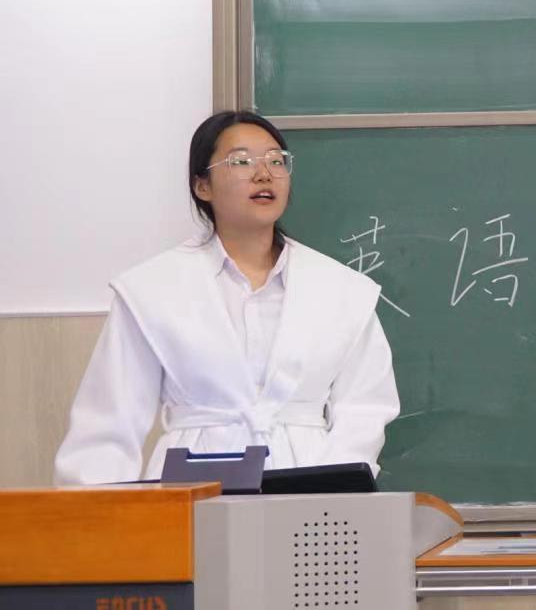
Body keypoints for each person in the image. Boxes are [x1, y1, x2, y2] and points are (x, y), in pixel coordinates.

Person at [54, 110, 400, 484]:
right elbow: (108, 424)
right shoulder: (153, 288)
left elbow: (365, 408)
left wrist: (332, 485)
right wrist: (99, 509)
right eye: (241, 161)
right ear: (202, 186)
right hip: (190, 484)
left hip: (310, 485)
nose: (264, 173)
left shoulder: (340, 289)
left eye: (276, 161)